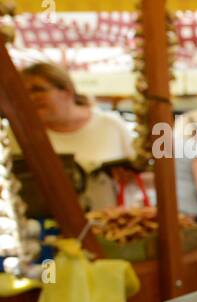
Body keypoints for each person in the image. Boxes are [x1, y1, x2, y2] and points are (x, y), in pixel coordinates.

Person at [22, 62, 135, 211]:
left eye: (38, 89)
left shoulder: (110, 125)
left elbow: (144, 177)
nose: (31, 97)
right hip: (44, 228)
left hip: (112, 225)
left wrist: (129, 175)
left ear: (67, 92)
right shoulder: (20, 134)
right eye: (25, 92)